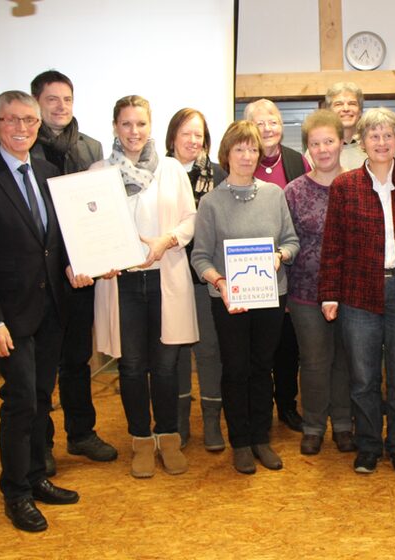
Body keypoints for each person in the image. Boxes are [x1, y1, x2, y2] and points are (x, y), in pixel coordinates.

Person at [0, 90, 90, 532]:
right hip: (8, 317)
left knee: (39, 399)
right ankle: (15, 492)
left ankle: (38, 477)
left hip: (51, 309)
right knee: (19, 402)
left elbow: (54, 242)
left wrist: (75, 265)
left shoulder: (48, 172)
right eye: (11, 120)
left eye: (29, 122)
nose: (21, 129)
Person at [318, 108, 395, 475]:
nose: (382, 142)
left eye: (389, 135)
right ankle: (369, 445)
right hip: (358, 296)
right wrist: (330, 294)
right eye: (374, 136)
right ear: (361, 141)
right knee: (363, 380)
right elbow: (333, 245)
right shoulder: (345, 186)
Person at [92, 95, 197, 478]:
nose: (134, 132)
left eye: (140, 124)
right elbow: (91, 230)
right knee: (132, 367)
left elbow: (190, 220)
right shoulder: (99, 171)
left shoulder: (171, 170)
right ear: (115, 127)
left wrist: (164, 241)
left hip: (164, 277)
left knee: (167, 366)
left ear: (150, 127)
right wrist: (96, 259)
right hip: (121, 284)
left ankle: (167, 438)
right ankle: (139, 440)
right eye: (126, 124)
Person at [191, 120, 300, 475]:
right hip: (229, 299)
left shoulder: (274, 195)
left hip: (270, 295)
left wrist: (279, 257)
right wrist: (220, 281)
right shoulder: (211, 202)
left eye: (252, 149)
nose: (246, 155)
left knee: (261, 368)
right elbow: (200, 257)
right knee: (235, 369)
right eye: (239, 149)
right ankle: (239, 442)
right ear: (226, 154)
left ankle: (260, 439)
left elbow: (291, 241)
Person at [29, 70, 115, 473]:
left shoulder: (91, 147)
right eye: (51, 99)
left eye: (66, 99)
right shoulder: (21, 145)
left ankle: (81, 434)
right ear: (36, 103)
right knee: (41, 364)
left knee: (77, 358)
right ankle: (40, 444)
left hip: (82, 271)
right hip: (40, 274)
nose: (60, 106)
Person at [284, 109, 354, 456]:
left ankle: (343, 423)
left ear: (342, 142)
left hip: (350, 292)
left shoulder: (359, 184)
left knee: (345, 360)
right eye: (316, 143)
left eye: (329, 141)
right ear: (307, 149)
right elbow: (285, 240)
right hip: (305, 292)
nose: (324, 149)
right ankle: (313, 426)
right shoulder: (294, 191)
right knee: (313, 361)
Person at [244, 99, 310, 433]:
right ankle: (259, 410)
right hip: (250, 270)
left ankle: (287, 404)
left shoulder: (298, 160)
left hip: (289, 266)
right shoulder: (241, 160)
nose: (268, 128)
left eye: (273, 121)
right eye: (260, 123)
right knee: (258, 346)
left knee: (288, 344)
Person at [165, 108, 227, 451]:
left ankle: (211, 423)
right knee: (174, 353)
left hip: (206, 279)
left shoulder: (218, 175)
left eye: (199, 134)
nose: (193, 140)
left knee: (208, 351)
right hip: (169, 277)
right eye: (186, 133)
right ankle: (178, 423)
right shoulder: (158, 173)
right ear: (173, 135)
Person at [324, 82, 368, 170]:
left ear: (360, 111)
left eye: (352, 103)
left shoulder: (374, 146)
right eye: (338, 104)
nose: (346, 109)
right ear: (329, 111)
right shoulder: (318, 149)